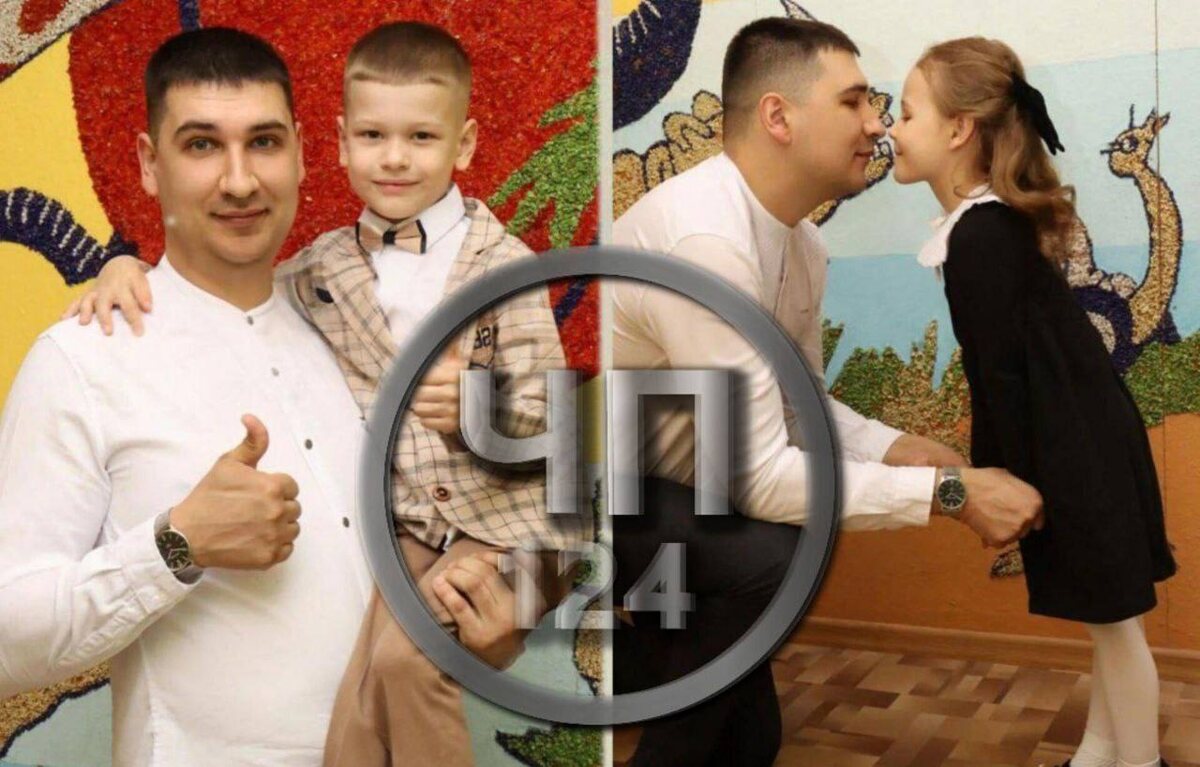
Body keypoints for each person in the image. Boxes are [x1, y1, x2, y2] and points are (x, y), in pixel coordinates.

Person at [66, 21, 587, 767]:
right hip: (412, 531)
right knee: (364, 689)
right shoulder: (319, 270)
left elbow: (556, 428)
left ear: (464, 145)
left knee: (404, 666)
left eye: (421, 138)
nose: (395, 158)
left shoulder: (508, 267)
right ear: (339, 144)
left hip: (509, 523)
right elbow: (230, 293)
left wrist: (481, 413)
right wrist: (127, 267)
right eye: (373, 136)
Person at [611, 18, 1047, 766]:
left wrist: (898, 448)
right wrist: (949, 494)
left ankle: (646, 663)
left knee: (752, 745)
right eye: (854, 102)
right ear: (778, 117)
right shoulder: (704, 242)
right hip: (584, 500)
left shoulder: (802, 245)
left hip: (677, 500)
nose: (877, 124)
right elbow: (758, 479)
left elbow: (796, 404)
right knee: (774, 551)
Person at [0, 28, 376, 766]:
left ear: (302, 152)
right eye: (202, 145)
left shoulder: (352, 325)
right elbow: (7, 639)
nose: (239, 181)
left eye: (263, 142)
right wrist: (176, 545)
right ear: (150, 163)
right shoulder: (83, 360)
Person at [889, 36, 1177, 767]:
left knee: (1117, 627)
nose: (892, 127)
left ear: (960, 129)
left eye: (907, 112)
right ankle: (1099, 751)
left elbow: (1002, 377)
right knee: (1107, 622)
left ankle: (1139, 760)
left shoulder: (981, 236)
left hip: (1074, 449)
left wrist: (999, 476)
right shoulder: (984, 228)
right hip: (1078, 439)